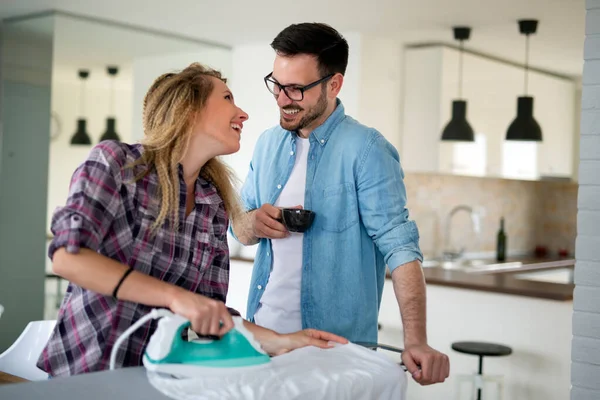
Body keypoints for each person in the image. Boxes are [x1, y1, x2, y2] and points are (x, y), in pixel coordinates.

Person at [38, 62, 347, 377]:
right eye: (227, 98)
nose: (243, 114)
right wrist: (176, 298)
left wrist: (284, 341)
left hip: (159, 383)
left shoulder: (212, 203)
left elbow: (211, 312)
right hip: (84, 376)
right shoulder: (117, 164)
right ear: (189, 109)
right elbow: (68, 258)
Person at [231, 23, 449, 385]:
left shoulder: (367, 151)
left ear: (333, 85)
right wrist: (252, 223)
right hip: (264, 341)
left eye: (297, 89)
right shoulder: (267, 143)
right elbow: (238, 229)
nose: (283, 99)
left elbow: (401, 250)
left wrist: (417, 340)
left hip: (335, 354)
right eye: (277, 85)